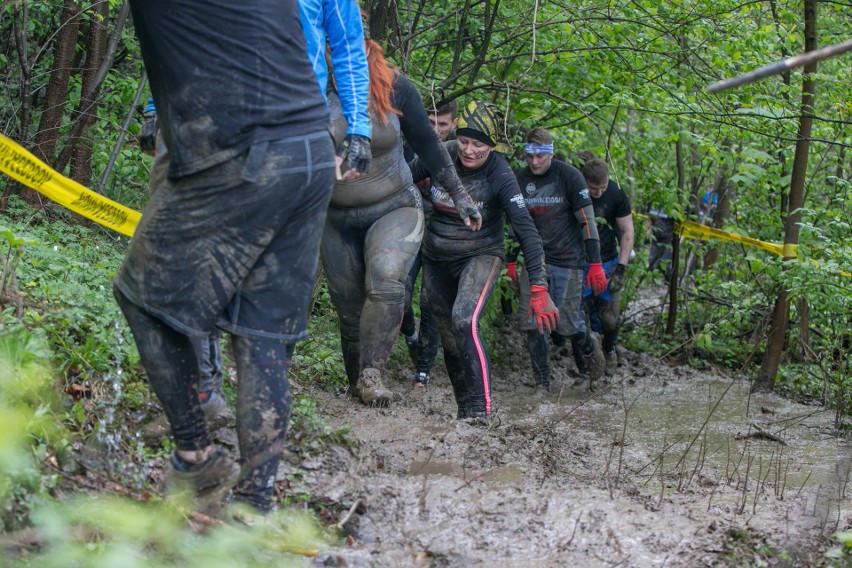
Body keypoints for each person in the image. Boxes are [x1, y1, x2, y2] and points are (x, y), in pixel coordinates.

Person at [115, 0, 346, 513]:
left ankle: (196, 457)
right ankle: (253, 505)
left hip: (239, 151)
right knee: (261, 337)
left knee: (141, 295)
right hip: (307, 147)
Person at [321, 30, 481, 407]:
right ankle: (357, 387)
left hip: (393, 205)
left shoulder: (394, 86)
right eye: (329, 47)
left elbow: (427, 142)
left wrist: (459, 195)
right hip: (335, 216)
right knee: (348, 306)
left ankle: (372, 374)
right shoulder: (307, 85)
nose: (337, 55)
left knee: (388, 280)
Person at [410, 102, 559, 421]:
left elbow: (526, 231)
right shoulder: (443, 153)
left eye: (479, 144)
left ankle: (482, 413)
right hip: (436, 257)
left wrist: (538, 286)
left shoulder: (500, 173)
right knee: (449, 339)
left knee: (464, 320)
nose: (469, 150)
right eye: (464, 140)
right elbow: (402, 179)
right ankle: (466, 411)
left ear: (492, 146)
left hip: (481, 256)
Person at [514, 127, 607, 392]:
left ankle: (590, 344)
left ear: (551, 154)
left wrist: (596, 262)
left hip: (568, 259)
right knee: (532, 323)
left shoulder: (570, 176)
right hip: (534, 261)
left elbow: (587, 221)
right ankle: (542, 384)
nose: (534, 162)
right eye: (530, 156)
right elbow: (514, 223)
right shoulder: (519, 179)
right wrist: (510, 260)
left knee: (567, 326)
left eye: (540, 156)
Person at [400, 99, 458, 387]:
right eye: (430, 123)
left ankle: (422, 372)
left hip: (444, 233)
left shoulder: (461, 152)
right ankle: (410, 335)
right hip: (410, 225)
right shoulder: (407, 143)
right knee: (400, 292)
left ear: (454, 124)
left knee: (430, 301)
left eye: (442, 124)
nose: (435, 131)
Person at [580, 157, 634, 377]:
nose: (599, 193)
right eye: (594, 189)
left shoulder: (616, 194)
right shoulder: (576, 190)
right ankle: (589, 360)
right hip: (579, 261)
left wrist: (621, 268)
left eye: (602, 188)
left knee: (609, 319)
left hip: (608, 260)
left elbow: (627, 232)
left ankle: (610, 350)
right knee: (581, 318)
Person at [646, 204, 676, 283]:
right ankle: (653, 284)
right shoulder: (653, 202)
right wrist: (648, 232)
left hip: (669, 240)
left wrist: (677, 244)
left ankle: (669, 284)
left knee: (665, 266)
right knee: (652, 264)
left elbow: (681, 225)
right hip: (655, 239)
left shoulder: (673, 205)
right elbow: (649, 217)